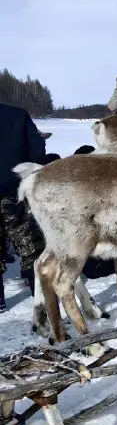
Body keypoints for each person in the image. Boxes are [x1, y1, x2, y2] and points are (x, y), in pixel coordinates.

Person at [0, 102, 47, 312]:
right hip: (15, 190)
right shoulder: (18, 114)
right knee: (29, 244)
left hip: (14, 189)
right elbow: (37, 151)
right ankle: (40, 293)